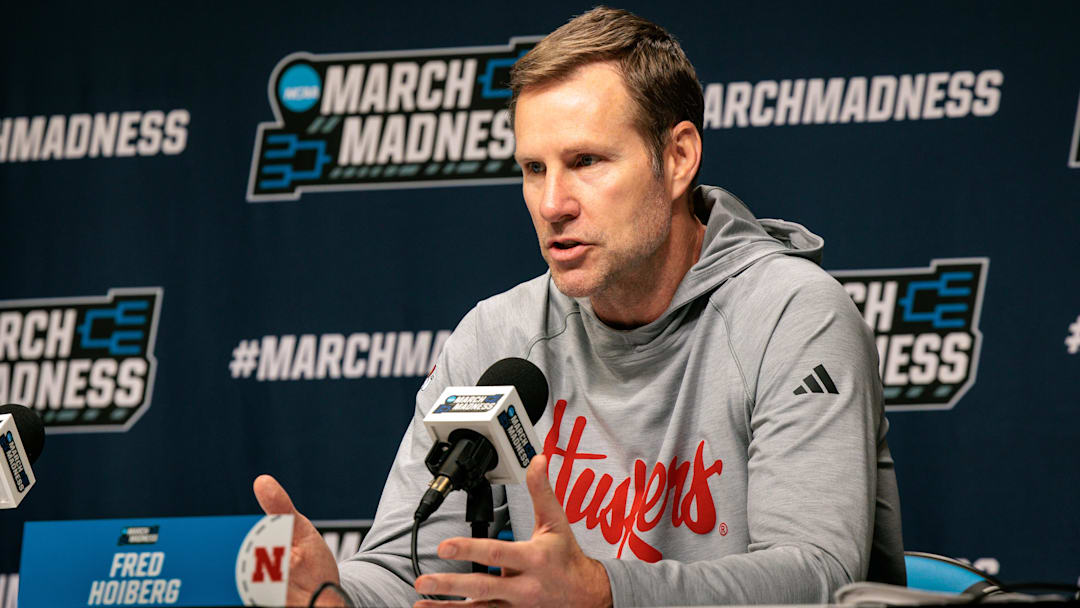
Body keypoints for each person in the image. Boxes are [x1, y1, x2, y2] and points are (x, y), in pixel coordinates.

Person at [254, 7, 906, 607]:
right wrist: (337, 595)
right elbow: (409, 565)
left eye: (585, 161)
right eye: (534, 169)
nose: (551, 203)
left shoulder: (791, 315)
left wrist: (601, 591)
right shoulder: (499, 338)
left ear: (677, 158)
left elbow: (820, 575)